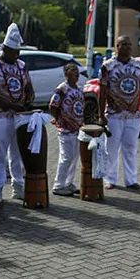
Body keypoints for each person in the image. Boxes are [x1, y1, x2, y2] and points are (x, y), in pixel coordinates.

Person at [0, 23, 34, 201]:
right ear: (4, 48)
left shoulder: (21, 65)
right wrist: (12, 106)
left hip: (18, 117)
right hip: (0, 117)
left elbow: (29, 88)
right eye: (14, 52)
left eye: (18, 52)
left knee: (17, 154)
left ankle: (18, 188)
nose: (17, 55)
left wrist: (28, 102)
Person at [98, 35, 140, 190]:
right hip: (114, 114)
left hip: (133, 115)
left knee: (130, 148)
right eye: (124, 44)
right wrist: (101, 116)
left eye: (129, 44)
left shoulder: (138, 65)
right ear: (117, 46)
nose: (128, 47)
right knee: (112, 148)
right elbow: (102, 93)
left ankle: (131, 180)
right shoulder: (107, 66)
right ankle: (110, 179)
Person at [49, 61, 84, 196]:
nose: (76, 73)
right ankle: (59, 185)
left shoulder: (79, 89)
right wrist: (58, 119)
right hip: (65, 129)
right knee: (66, 157)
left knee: (74, 158)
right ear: (66, 74)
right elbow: (53, 105)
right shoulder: (62, 89)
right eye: (72, 71)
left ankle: (68, 183)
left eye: (77, 71)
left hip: (77, 129)